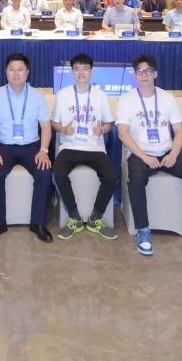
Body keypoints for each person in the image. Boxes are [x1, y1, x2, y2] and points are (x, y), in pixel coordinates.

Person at [116, 54, 182, 258]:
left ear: (155, 74)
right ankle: (143, 230)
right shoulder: (126, 100)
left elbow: (180, 131)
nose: (144, 75)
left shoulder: (167, 98)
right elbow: (123, 133)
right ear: (135, 75)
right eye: (140, 72)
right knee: (136, 179)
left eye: (148, 71)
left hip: (167, 151)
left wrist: (174, 154)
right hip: (140, 153)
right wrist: (144, 157)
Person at [0, 53, 54, 243]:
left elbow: (46, 126)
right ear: (6, 72)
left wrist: (44, 151)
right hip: (4, 146)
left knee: (44, 172)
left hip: (31, 146)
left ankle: (38, 223)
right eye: (12, 69)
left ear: (27, 72)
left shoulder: (37, 96)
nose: (16, 73)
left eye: (20, 69)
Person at [52, 53, 119, 240]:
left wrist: (102, 130)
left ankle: (95, 218)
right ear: (71, 71)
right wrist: (63, 128)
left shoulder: (100, 96)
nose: (81, 73)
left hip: (94, 147)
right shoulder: (63, 94)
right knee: (58, 173)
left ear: (92, 71)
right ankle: (74, 217)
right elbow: (54, 123)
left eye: (85, 68)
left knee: (111, 175)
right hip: (69, 146)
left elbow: (109, 123)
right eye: (77, 69)